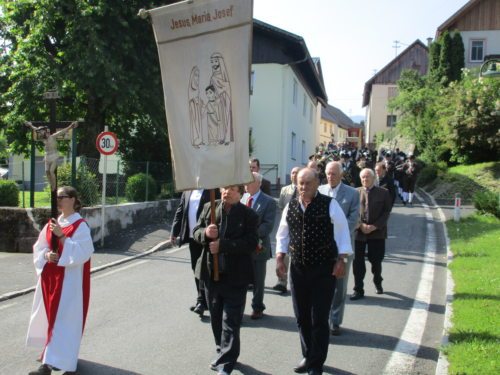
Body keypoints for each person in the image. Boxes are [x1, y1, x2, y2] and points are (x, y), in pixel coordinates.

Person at [276, 168, 352, 375]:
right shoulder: (290, 206)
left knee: (319, 318)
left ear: (317, 184)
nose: (303, 187)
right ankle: (308, 354)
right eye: (300, 183)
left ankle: (316, 363)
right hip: (298, 268)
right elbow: (283, 234)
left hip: (323, 269)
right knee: (301, 317)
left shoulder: (330, 205)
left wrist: (341, 260)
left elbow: (342, 233)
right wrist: (280, 258)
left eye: (308, 183)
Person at [26, 186, 94, 375]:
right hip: (51, 280)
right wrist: (46, 255)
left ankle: (57, 363)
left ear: (72, 199)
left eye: (62, 197)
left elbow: (84, 252)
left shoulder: (80, 225)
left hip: (70, 283)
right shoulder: (54, 222)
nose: (58, 200)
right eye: (57, 197)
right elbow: (40, 246)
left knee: (65, 322)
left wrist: (62, 236)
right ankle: (51, 359)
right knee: (50, 320)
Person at [193, 185, 258, 375]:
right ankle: (221, 350)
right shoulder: (209, 207)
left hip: (236, 277)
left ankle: (227, 363)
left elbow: (251, 243)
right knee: (216, 317)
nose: (226, 192)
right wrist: (205, 234)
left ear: (240, 193)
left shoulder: (249, 215)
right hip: (211, 274)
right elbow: (196, 231)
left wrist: (224, 245)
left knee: (231, 320)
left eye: (231, 189)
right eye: (224, 188)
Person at [318, 161, 360, 336]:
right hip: (321, 247)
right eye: (328, 173)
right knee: (321, 283)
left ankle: (335, 320)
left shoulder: (351, 193)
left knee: (339, 286)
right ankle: (321, 318)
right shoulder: (319, 191)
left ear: (341, 175)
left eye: (334, 173)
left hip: (342, 245)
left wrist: (336, 233)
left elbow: (353, 218)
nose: (330, 176)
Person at [171, 189, 219, 317]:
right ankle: (202, 299)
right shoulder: (188, 190)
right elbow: (181, 210)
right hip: (193, 237)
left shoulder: (213, 190)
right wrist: (174, 231)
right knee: (196, 268)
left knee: (206, 269)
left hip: (207, 236)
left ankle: (202, 301)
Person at [351, 168, 392, 300]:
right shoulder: (355, 192)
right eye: (362, 177)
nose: (365, 179)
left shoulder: (384, 193)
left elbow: (386, 212)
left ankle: (378, 281)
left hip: (377, 232)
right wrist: (360, 225)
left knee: (376, 260)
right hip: (359, 232)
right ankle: (358, 289)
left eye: (367, 177)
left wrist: (374, 226)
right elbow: (352, 212)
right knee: (358, 262)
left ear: (373, 178)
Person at [243, 172, 277, 319]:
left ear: (259, 184)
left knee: (258, 280)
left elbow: (267, 225)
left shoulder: (268, 201)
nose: (246, 185)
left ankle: (258, 307)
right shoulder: (242, 198)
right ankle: (238, 307)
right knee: (241, 278)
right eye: (245, 182)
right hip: (241, 246)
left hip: (258, 246)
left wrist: (250, 236)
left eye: (249, 182)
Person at [25, 121, 78, 191]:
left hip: (54, 156)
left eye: (41, 132)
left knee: (51, 171)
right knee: (47, 172)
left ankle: (54, 186)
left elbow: (62, 131)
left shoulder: (52, 137)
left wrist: (70, 126)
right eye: (40, 132)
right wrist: (30, 125)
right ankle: (51, 184)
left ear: (46, 131)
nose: (40, 133)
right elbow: (36, 129)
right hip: (47, 156)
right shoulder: (43, 139)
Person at [273, 166, 300, 293]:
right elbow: (280, 206)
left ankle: (296, 283)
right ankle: (281, 282)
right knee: (283, 252)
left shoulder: (304, 188)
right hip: (287, 225)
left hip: (300, 226)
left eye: (297, 173)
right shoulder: (285, 190)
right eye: (292, 173)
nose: (294, 175)